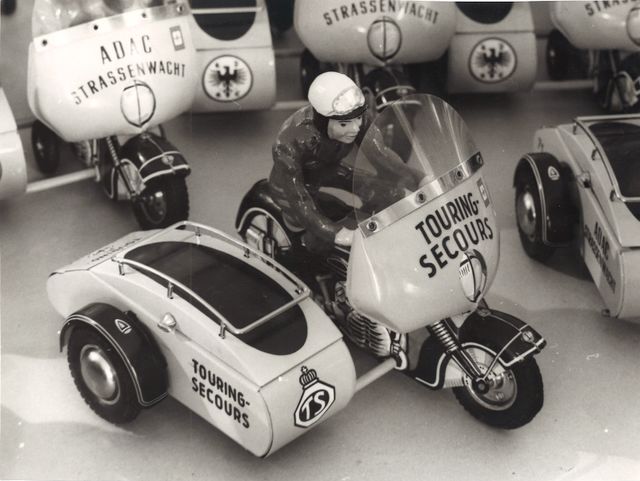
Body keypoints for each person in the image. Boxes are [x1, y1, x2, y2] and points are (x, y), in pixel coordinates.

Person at [269, 71, 414, 254]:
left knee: (382, 189)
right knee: (317, 238)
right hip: (291, 185)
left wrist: (418, 179)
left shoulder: (357, 118)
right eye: (344, 124)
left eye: (358, 119)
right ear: (323, 121)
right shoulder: (289, 143)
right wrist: (332, 232)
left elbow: (381, 154)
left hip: (328, 168)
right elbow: (299, 199)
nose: (355, 128)